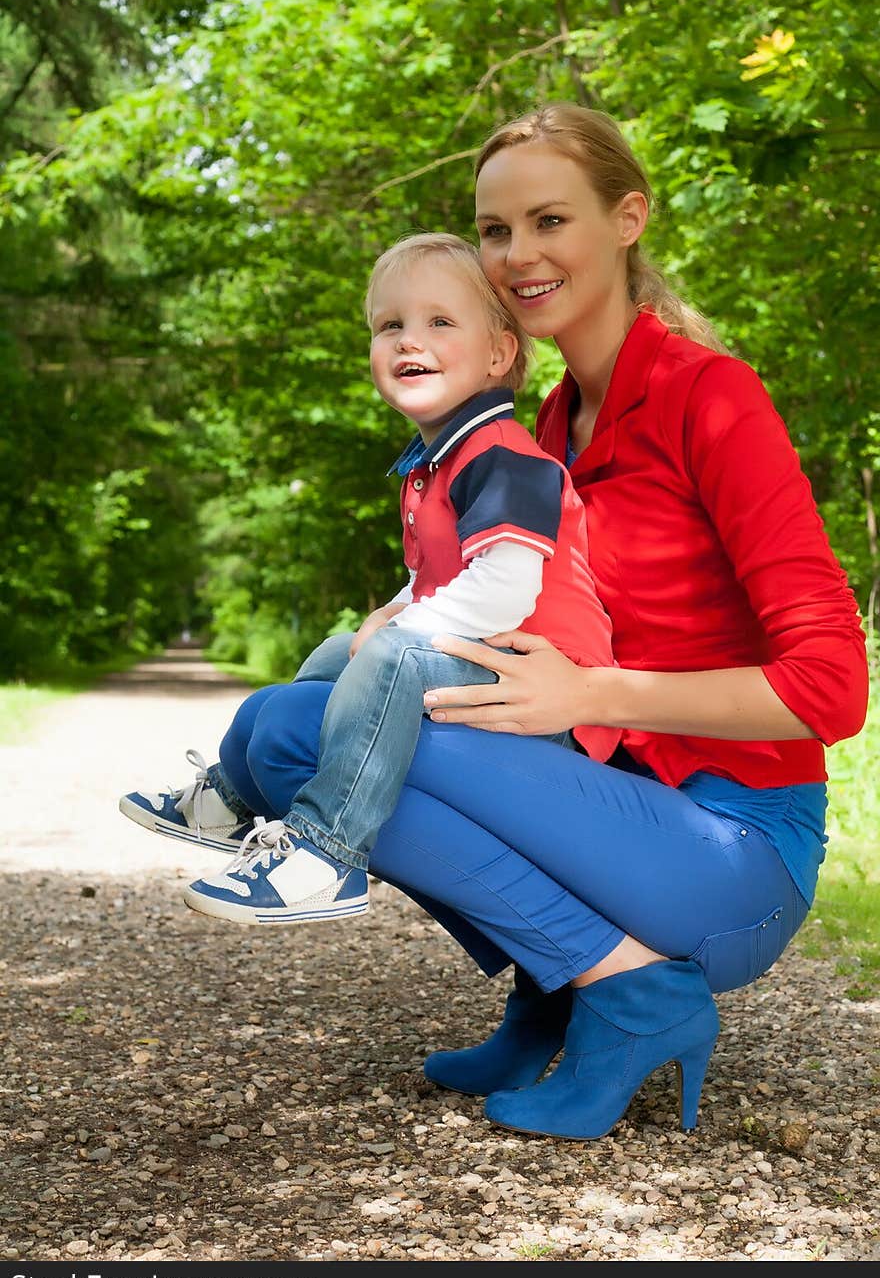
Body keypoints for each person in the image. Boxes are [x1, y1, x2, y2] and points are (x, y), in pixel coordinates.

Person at [123, 104, 869, 1142]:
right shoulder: (547, 425)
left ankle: (634, 995)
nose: (518, 254)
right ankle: (560, 987)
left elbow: (830, 688)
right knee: (296, 720)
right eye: (494, 230)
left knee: (300, 734)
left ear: (627, 218)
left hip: (735, 845)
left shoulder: (712, 400)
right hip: (610, 806)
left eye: (549, 220)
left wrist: (590, 693)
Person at [121, 231, 619, 926]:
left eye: (441, 322)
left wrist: (400, 631)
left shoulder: (504, 456)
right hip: (485, 657)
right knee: (339, 650)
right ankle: (233, 798)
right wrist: (388, 616)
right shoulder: (435, 461)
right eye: (392, 325)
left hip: (546, 693)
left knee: (388, 652)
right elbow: (434, 582)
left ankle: (329, 851)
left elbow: (506, 590)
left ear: (500, 353)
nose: (410, 341)